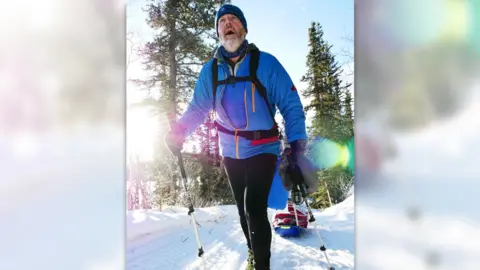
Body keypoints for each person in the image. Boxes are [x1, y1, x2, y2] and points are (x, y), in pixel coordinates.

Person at [164, 4, 308, 270]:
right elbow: (198, 107)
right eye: (223, 21)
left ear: (244, 28)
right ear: (218, 31)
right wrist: (180, 131)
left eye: (234, 20)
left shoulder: (266, 63)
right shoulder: (211, 71)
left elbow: (291, 105)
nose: (228, 24)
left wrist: (297, 145)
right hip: (230, 152)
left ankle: (261, 265)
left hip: (263, 148)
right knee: (243, 211)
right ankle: (254, 253)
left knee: (254, 206)